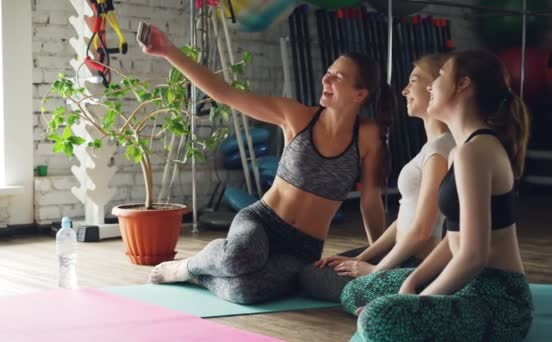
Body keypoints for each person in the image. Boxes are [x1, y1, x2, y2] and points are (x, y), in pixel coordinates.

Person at [142, 24, 392, 304]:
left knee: (246, 291)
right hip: (262, 221)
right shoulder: (296, 116)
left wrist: (377, 258)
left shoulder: (368, 137)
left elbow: (371, 201)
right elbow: (226, 94)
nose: (326, 78)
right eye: (328, 71)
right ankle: (186, 267)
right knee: (239, 256)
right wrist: (168, 51)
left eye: (338, 77)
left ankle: (202, 276)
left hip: (301, 248)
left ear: (360, 94)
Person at [342, 49, 533, 341]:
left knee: (378, 320)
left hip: (498, 299)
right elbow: (453, 240)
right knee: (356, 292)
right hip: (468, 282)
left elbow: (473, 255)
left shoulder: (476, 151)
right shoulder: (461, 150)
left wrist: (415, 302)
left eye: (440, 76)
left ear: (463, 84)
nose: (431, 86)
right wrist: (413, 281)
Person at [299, 53, 455, 302]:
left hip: (413, 262)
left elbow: (423, 232)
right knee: (318, 269)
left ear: (435, 87)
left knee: (310, 278)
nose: (404, 91)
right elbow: (406, 218)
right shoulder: (433, 148)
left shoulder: (439, 152)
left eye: (413, 80)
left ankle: (400, 293)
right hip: (402, 254)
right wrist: (361, 259)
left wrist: (374, 270)